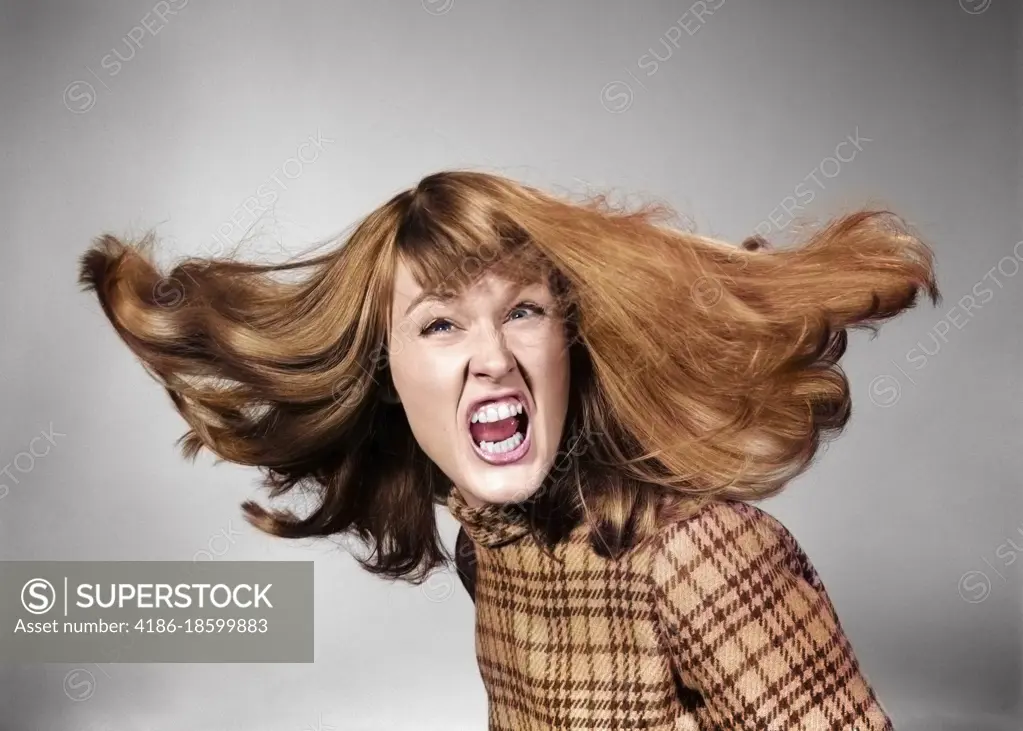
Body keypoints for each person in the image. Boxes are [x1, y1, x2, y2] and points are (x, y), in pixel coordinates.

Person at [78, 170, 940, 729]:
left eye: (522, 310)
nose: (492, 356)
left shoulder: (701, 555)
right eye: (442, 322)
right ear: (386, 373)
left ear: (570, 338)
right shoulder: (489, 550)